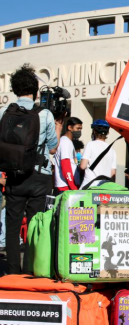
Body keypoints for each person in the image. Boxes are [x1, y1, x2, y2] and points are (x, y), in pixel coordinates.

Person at [0, 64, 62, 274]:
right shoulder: (44, 114)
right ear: (35, 91)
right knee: (36, 225)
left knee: (12, 226)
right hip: (39, 176)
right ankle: (33, 270)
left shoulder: (3, 112)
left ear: (14, 89)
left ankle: (12, 272)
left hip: (14, 176)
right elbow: (53, 147)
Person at [79, 119, 117, 189]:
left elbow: (82, 166)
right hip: (105, 186)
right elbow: (113, 174)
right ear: (107, 132)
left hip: (90, 184)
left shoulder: (90, 144)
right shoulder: (112, 150)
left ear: (94, 131)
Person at [54, 117, 83, 194]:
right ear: (69, 127)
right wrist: (73, 187)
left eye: (80, 129)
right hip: (66, 188)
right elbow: (65, 166)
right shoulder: (65, 142)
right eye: (78, 128)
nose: (79, 131)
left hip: (68, 187)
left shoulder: (68, 142)